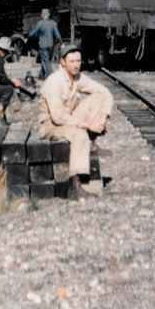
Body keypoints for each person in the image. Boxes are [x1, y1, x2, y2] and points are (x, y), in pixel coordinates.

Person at [38, 45, 114, 199]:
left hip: (69, 118)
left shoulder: (78, 78)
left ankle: (91, 139)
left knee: (98, 97)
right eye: (71, 61)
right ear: (62, 62)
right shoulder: (55, 81)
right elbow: (58, 117)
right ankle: (75, 184)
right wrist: (88, 125)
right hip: (51, 125)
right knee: (80, 135)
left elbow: (105, 92)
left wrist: (102, 119)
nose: (76, 64)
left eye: (78, 60)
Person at [27, 8, 62, 79]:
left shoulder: (40, 23)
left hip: (43, 45)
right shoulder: (53, 23)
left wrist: (28, 37)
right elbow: (57, 35)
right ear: (49, 15)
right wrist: (61, 42)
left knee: (45, 60)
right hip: (51, 45)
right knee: (46, 59)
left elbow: (33, 33)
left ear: (42, 15)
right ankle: (41, 75)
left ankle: (51, 76)